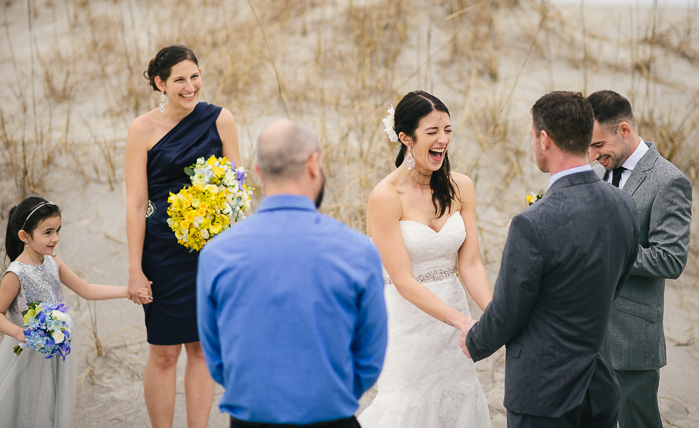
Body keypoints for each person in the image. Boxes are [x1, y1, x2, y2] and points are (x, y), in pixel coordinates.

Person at [461, 91, 641, 428]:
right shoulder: (624, 206)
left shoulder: (532, 223)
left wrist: (474, 341)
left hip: (543, 394)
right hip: (600, 387)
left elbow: (509, 310)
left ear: (544, 139)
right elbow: (615, 283)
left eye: (532, 135)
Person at [196, 119, 388, 428]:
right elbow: (371, 354)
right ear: (314, 164)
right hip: (331, 415)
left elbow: (215, 354)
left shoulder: (217, 254)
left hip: (250, 419)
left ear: (257, 170)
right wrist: (330, 393)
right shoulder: (358, 251)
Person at [358, 90, 492, 428]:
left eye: (447, 130)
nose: (443, 139)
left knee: (458, 396)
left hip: (454, 317)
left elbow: (471, 264)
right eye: (432, 132)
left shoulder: (461, 187)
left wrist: (495, 313)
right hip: (407, 322)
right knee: (407, 405)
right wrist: (462, 323)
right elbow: (403, 281)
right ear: (405, 138)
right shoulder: (385, 197)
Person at [124, 44, 242, 428]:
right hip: (161, 253)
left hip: (211, 252)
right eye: (179, 80)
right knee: (163, 353)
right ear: (160, 83)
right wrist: (134, 269)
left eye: (195, 76)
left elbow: (236, 193)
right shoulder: (141, 129)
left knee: (204, 349)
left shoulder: (221, 120)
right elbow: (136, 203)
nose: (190, 86)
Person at [587, 90, 692, 428]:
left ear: (624, 130)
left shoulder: (669, 180)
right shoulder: (603, 172)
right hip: (589, 330)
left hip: (630, 336)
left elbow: (671, 259)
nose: (593, 155)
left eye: (598, 145)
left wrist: (608, 252)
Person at [0, 197, 147, 427]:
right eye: (48, 232)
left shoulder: (53, 261)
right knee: (29, 408)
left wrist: (128, 291)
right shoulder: (16, 273)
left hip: (56, 352)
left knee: (52, 406)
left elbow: (86, 290)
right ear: (24, 236)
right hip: (27, 355)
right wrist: (21, 334)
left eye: (58, 230)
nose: (55, 238)